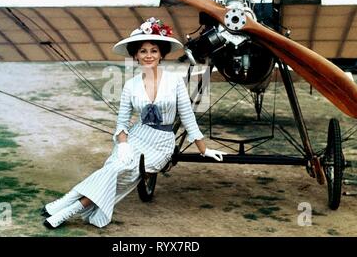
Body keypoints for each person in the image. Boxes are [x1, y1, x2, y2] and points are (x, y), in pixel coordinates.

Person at [41, 17, 227, 229]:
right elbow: (122, 123)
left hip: (161, 144)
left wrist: (204, 149)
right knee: (114, 167)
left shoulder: (174, 81)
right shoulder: (130, 85)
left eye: (154, 51)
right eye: (143, 51)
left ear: (161, 54)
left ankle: (66, 206)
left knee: (119, 171)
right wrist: (123, 145)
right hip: (137, 137)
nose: (149, 56)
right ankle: (65, 207)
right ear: (136, 56)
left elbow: (187, 118)